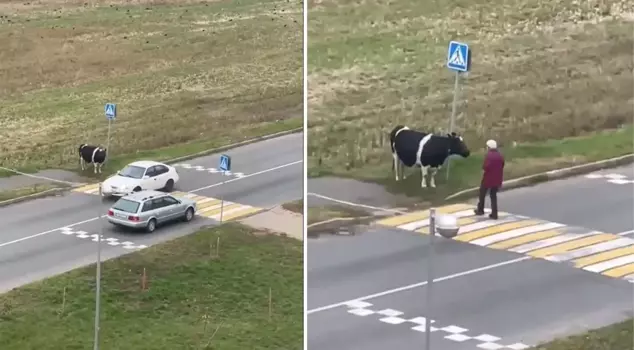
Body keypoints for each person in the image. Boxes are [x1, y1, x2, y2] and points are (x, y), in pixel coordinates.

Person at [474, 139, 505, 219]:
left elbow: (485, 167)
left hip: (488, 178)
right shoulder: (499, 155)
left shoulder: (489, 156)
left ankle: (480, 210)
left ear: (489, 147)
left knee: (482, 193)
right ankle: (494, 214)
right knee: (493, 196)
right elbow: (502, 164)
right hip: (497, 179)